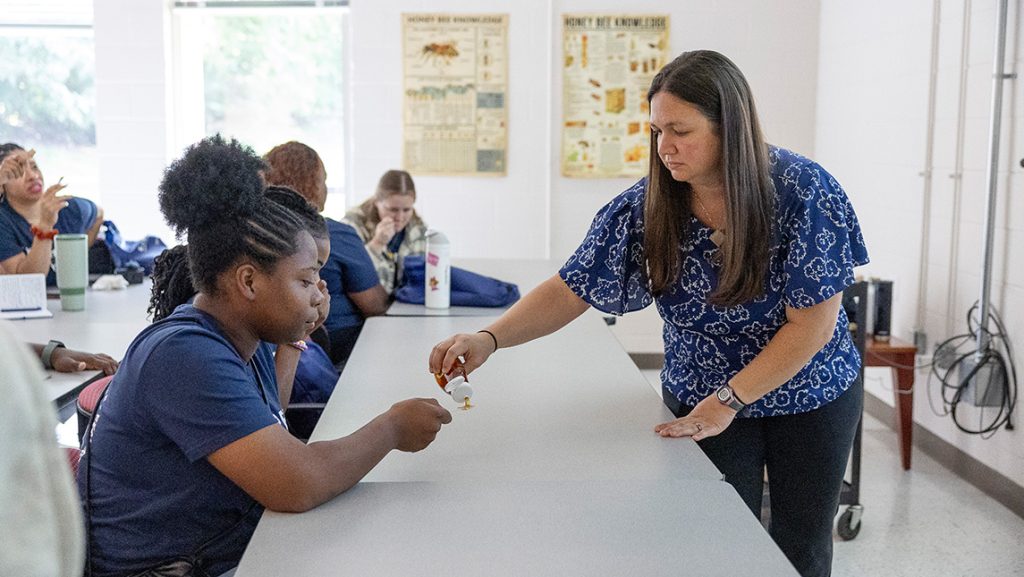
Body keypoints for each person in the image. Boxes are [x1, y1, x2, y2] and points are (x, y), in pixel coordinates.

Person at [429, 50, 868, 577]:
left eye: (680, 130)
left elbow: (813, 327)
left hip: (809, 390)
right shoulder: (649, 205)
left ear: (730, 127)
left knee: (802, 544)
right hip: (699, 391)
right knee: (715, 539)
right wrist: (489, 338)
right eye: (657, 131)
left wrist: (730, 399)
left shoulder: (804, 192)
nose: (665, 148)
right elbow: (571, 288)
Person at [79, 136, 451, 577]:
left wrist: (295, 334)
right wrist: (392, 428)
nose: (319, 293)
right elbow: (297, 482)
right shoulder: (185, 354)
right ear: (250, 282)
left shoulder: (240, 335)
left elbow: (273, 421)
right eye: (306, 279)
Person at [263, 141, 388, 366]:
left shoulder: (259, 234)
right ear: (314, 184)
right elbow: (376, 306)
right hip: (335, 360)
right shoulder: (334, 235)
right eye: (325, 180)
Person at [0, 143, 104, 284]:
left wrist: (77, 256)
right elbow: (27, 281)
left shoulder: (68, 207)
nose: (33, 176)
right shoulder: (4, 221)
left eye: (34, 166)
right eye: (19, 171)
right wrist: (45, 226)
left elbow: (99, 214)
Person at [343, 169, 428, 294]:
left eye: (407, 210)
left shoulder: (418, 228)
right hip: (365, 305)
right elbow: (351, 276)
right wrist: (377, 244)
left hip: (403, 304)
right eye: (393, 210)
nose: (400, 217)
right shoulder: (352, 225)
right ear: (377, 201)